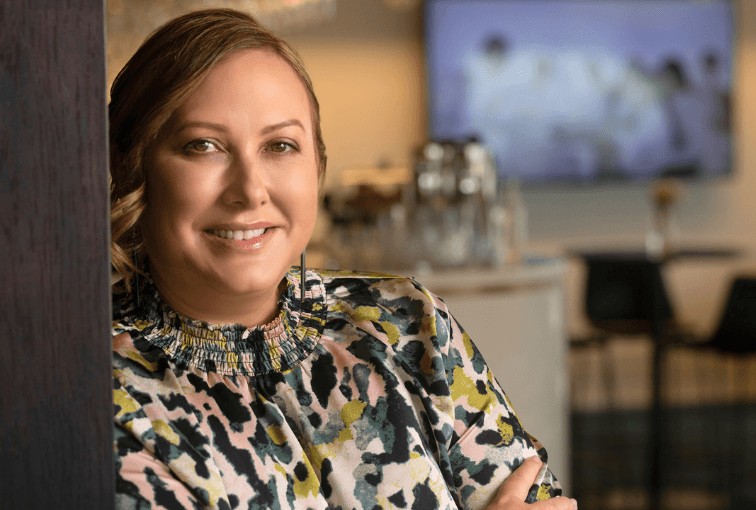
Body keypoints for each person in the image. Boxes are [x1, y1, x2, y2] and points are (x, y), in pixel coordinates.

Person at [109, 8, 574, 510]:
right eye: (203, 146)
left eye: (280, 145)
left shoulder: (405, 321)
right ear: (134, 169)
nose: (250, 190)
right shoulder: (98, 389)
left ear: (318, 169)